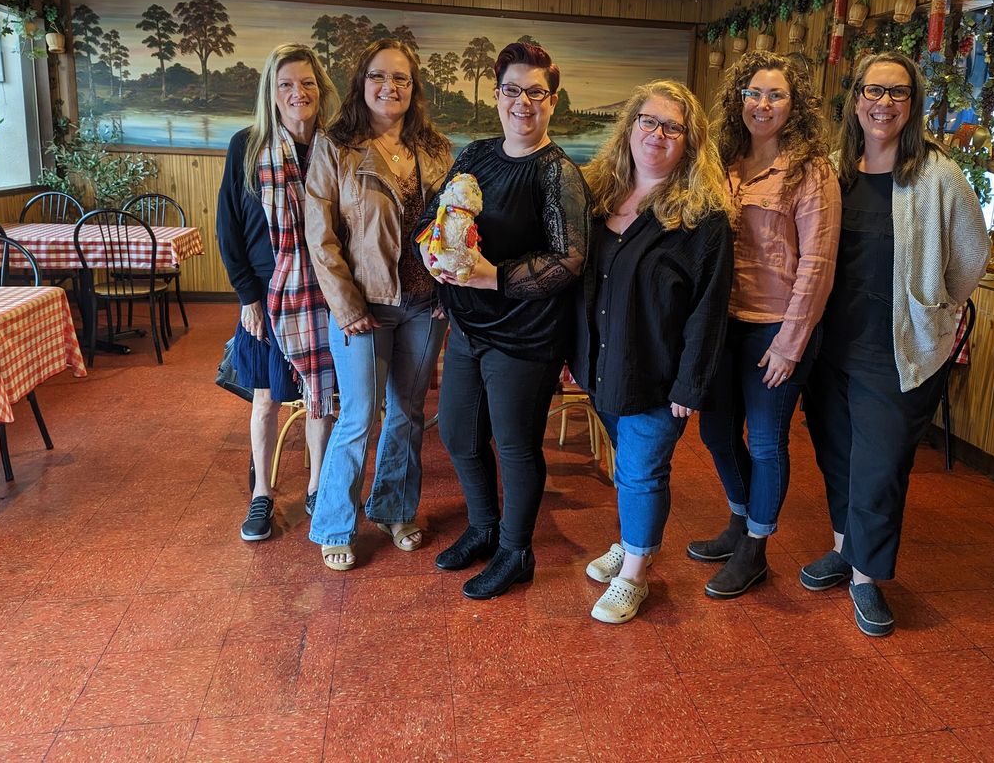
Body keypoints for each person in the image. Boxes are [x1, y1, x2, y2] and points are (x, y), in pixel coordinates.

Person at [801, 51, 986, 636]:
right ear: (855, 98)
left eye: (898, 93)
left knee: (879, 467)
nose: (884, 103)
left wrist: (938, 305)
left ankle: (866, 577)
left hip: (897, 349)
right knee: (836, 456)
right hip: (829, 342)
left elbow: (973, 254)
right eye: (873, 91)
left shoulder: (938, 175)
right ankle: (842, 548)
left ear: (913, 103)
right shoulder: (833, 168)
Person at [417, 41, 590, 601]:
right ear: (497, 96)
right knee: (457, 433)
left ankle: (517, 551)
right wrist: (428, 250)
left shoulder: (557, 172)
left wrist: (492, 276)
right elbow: (438, 214)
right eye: (512, 90)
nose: (523, 102)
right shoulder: (475, 155)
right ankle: (484, 527)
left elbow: (570, 260)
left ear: (552, 101)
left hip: (525, 333)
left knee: (515, 444)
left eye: (535, 92)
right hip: (468, 326)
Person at [574, 80, 734, 624]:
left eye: (673, 126)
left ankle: (635, 573)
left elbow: (708, 310)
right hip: (604, 367)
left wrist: (691, 386)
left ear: (690, 142)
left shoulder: (703, 220)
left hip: (659, 374)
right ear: (630, 128)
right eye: (649, 121)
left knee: (642, 470)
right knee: (628, 467)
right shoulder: (599, 197)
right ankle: (632, 538)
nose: (658, 134)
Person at [690, 52, 840, 599]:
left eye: (776, 95)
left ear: (794, 106)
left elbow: (817, 265)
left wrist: (789, 344)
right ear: (740, 99)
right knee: (715, 431)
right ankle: (738, 518)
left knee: (768, 442)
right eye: (754, 92)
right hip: (720, 324)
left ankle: (755, 546)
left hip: (775, 329)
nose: (763, 104)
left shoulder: (811, 171)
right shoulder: (721, 162)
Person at [305, 39, 452, 571]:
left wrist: (449, 293)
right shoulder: (335, 146)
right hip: (363, 307)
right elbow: (320, 238)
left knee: (408, 414)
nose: (390, 88)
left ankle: (394, 507)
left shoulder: (436, 149)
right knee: (359, 417)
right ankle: (334, 524)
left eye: (402, 79)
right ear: (361, 83)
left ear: (415, 90)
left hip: (424, 305)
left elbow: (455, 230)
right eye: (378, 76)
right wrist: (344, 306)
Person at [217, 43, 340, 541]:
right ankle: (262, 495)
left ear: (319, 90)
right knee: (264, 401)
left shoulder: (332, 150)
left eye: (307, 83)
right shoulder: (246, 146)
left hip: (324, 296)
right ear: (271, 91)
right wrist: (247, 296)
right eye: (286, 84)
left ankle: (315, 487)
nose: (297, 93)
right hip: (265, 299)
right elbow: (228, 229)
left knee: (320, 399)